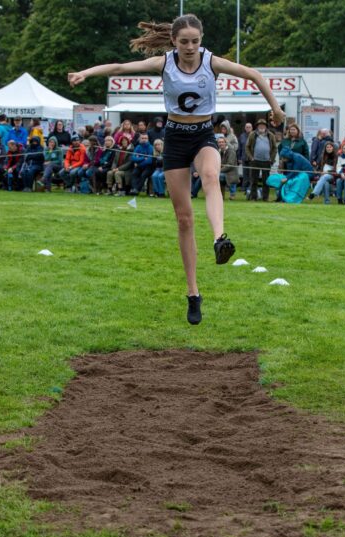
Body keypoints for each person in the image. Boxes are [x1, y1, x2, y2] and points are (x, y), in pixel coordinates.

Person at [68, 13, 285, 324]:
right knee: (184, 220)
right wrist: (85, 74)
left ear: (201, 41)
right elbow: (119, 68)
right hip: (174, 139)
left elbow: (252, 74)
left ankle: (220, 238)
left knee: (211, 176)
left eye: (195, 41)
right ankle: (193, 293)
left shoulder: (210, 62)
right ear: (173, 41)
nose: (190, 47)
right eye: (184, 42)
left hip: (203, 135)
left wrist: (275, 108)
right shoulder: (164, 63)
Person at [246, 118, 277, 201]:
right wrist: (251, 157)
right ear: (257, 126)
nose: (261, 126)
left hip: (267, 161)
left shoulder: (271, 135)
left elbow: (274, 148)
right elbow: (247, 147)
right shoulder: (252, 134)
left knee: (266, 181)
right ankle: (253, 197)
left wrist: (272, 159)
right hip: (255, 161)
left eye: (263, 125)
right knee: (254, 181)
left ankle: (265, 198)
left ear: (266, 126)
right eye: (260, 125)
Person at [217, 135, 239, 200]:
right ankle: (219, 194)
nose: (221, 143)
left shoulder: (231, 151)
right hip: (223, 170)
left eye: (222, 142)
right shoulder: (219, 151)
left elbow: (230, 164)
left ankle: (232, 195)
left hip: (231, 172)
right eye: (219, 142)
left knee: (219, 175)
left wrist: (219, 170)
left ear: (225, 143)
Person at [237, 122, 252, 194]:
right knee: (245, 173)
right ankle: (244, 187)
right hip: (244, 157)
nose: (248, 128)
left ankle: (250, 188)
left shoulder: (254, 135)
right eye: (247, 127)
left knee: (251, 174)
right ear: (245, 128)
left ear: (252, 128)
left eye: (249, 127)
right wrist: (239, 157)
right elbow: (239, 148)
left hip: (252, 158)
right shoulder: (242, 136)